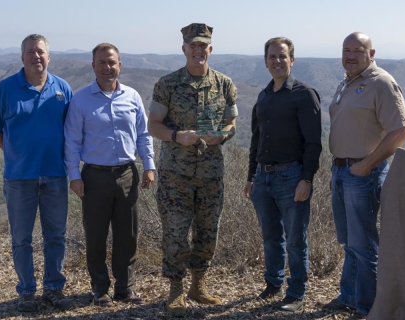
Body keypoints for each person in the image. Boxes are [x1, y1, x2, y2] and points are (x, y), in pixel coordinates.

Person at [147, 23, 238, 316]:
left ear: (210, 49)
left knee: (207, 232)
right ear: (184, 49)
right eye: (193, 46)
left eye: (203, 46)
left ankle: (198, 285)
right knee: (175, 233)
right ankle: (175, 289)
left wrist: (222, 136)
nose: (198, 51)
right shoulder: (167, 84)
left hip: (211, 174)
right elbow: (153, 126)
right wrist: (176, 136)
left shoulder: (224, 84)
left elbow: (231, 124)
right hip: (176, 175)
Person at [323, 32, 405, 319]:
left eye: (357, 50)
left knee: (364, 244)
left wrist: (367, 164)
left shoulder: (381, 83)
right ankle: (349, 296)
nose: (350, 56)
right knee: (350, 242)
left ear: (371, 54)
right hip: (341, 170)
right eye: (346, 50)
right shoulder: (347, 82)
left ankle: (369, 307)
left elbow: (400, 132)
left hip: (362, 172)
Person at [0, 34, 73, 312]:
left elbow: (71, 131)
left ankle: (54, 289)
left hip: (55, 175)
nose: (37, 56)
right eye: (31, 52)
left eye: (41, 52)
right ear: (22, 57)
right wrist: (16, 153)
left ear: (49, 56)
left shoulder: (62, 88)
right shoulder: (6, 89)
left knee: (56, 236)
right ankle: (26, 292)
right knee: (21, 239)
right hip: (19, 177)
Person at [64, 43, 155, 307]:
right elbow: (71, 141)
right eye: (102, 62)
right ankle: (100, 288)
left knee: (128, 235)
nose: (107, 67)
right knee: (96, 235)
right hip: (94, 176)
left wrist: (149, 165)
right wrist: (74, 176)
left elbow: (143, 134)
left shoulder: (132, 96)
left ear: (120, 65)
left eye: (112, 62)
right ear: (93, 66)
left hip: (128, 174)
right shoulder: (81, 100)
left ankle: (125, 288)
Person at [243, 37, 322, 312]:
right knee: (270, 235)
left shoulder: (304, 94)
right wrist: (251, 176)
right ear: (265, 61)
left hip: (292, 176)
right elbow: (257, 139)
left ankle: (296, 292)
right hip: (263, 178)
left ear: (292, 59)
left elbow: (313, 142)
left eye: (282, 56)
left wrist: (307, 179)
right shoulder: (264, 95)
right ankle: (273, 282)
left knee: (295, 237)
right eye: (272, 56)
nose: (277, 61)